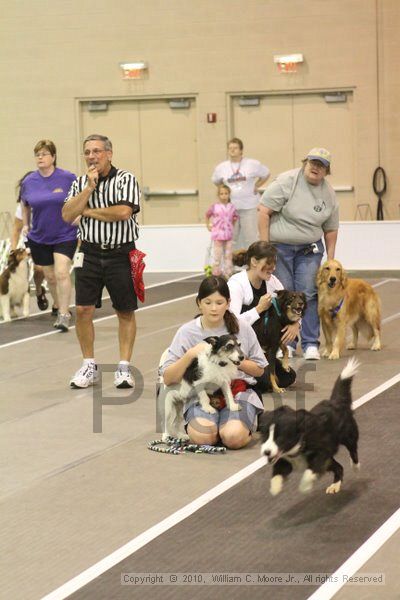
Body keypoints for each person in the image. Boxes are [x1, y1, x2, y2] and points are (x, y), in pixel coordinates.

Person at [62, 134, 141, 390]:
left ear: (109, 153)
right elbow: (66, 214)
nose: (92, 156)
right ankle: (89, 364)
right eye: (87, 152)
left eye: (97, 151)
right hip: (89, 253)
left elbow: (122, 212)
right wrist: (88, 190)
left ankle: (124, 367)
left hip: (120, 253)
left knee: (124, 310)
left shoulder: (125, 179)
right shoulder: (79, 184)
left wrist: (85, 211)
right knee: (83, 310)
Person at [160, 276, 267, 449]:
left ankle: (236, 427)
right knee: (203, 437)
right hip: (201, 392)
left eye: (219, 302)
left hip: (238, 390)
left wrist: (231, 360)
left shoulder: (242, 327)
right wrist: (189, 355)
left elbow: (260, 369)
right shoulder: (187, 332)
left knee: (233, 438)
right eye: (208, 302)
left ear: (228, 303)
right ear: (199, 303)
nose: (214, 308)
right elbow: (168, 378)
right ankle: (217, 426)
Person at [258, 147, 339, 360]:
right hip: (280, 247)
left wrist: (330, 260)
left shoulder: (329, 193)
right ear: (305, 162)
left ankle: (311, 343)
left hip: (309, 248)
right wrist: (265, 248)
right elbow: (264, 211)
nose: (315, 167)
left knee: (309, 294)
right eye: (312, 162)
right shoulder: (286, 181)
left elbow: (330, 229)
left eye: (321, 165)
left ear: (326, 171)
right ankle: (287, 343)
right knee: (284, 294)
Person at [21, 140, 78, 329]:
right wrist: (25, 225)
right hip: (39, 236)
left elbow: (81, 198)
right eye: (37, 154)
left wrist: (79, 217)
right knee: (51, 278)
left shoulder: (68, 178)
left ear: (53, 157)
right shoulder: (29, 181)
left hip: (65, 233)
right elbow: (25, 204)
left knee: (62, 272)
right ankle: (58, 304)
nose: (40, 157)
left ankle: (63, 314)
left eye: (44, 154)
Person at [227, 241, 297, 392]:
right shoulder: (236, 284)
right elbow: (231, 323)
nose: (274, 268)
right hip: (240, 349)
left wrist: (295, 324)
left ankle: (254, 374)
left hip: (260, 349)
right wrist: (258, 309)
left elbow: (292, 301)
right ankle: (240, 376)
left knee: (288, 377)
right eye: (269, 263)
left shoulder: (272, 282)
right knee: (265, 382)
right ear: (254, 261)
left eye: (274, 263)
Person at [211, 137, 270, 250]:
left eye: (235, 148)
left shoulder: (252, 164)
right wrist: (224, 193)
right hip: (230, 208)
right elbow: (216, 181)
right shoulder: (221, 167)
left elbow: (266, 173)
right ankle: (230, 264)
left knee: (251, 237)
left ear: (241, 150)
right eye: (230, 148)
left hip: (250, 206)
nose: (232, 150)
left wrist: (257, 185)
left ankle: (251, 263)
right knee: (231, 237)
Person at [11, 172, 50, 312]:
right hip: (33, 240)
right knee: (39, 269)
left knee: (56, 272)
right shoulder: (22, 206)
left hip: (52, 237)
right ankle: (39, 290)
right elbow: (16, 230)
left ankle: (59, 306)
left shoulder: (48, 199)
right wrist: (13, 249)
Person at [205, 184, 239, 277]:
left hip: (228, 234)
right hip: (218, 234)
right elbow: (207, 215)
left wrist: (231, 226)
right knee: (217, 255)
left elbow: (235, 217)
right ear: (218, 195)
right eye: (221, 194)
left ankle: (228, 272)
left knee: (228, 255)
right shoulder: (215, 206)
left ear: (229, 194)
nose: (224, 196)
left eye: (226, 193)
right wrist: (208, 225)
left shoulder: (232, 207)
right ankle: (216, 272)